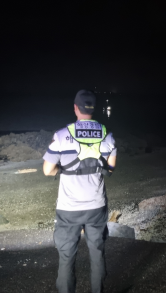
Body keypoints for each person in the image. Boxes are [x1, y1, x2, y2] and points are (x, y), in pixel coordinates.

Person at [43, 90, 117, 293]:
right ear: (94, 108)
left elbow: (47, 170)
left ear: (75, 108)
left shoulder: (61, 135)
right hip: (96, 205)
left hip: (69, 208)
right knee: (97, 252)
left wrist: (61, 170)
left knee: (66, 257)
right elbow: (110, 169)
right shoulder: (107, 135)